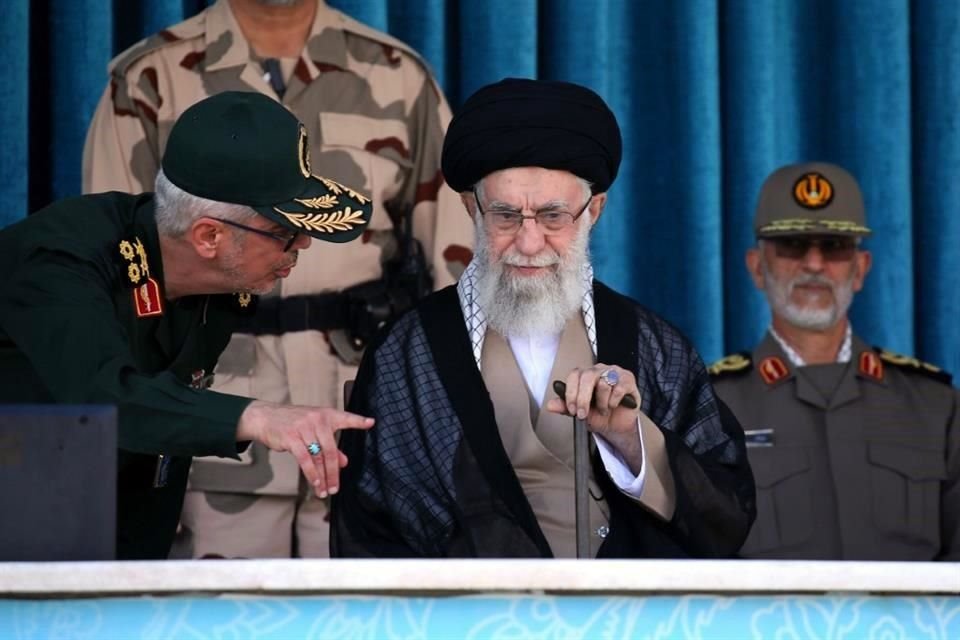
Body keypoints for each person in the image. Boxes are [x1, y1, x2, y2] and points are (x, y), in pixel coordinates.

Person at [82, 0, 473, 558]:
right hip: (212, 422)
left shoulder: (397, 73)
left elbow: (454, 263)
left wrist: (433, 417)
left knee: (359, 619)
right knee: (219, 622)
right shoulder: (153, 76)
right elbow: (118, 263)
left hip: (359, 418)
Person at [329, 78, 756, 558]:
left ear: (593, 210)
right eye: (506, 216)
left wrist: (630, 439)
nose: (529, 244)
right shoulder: (407, 353)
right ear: (473, 207)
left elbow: (727, 512)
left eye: (553, 217)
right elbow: (366, 532)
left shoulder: (655, 346)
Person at [0, 91, 376, 560]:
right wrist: (255, 416)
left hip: (99, 525)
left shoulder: (220, 278)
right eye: (283, 232)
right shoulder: (59, 263)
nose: (304, 243)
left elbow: (155, 441)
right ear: (209, 235)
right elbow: (102, 402)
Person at [709, 161, 960, 560]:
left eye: (834, 247)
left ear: (860, 269)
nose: (813, 264)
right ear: (757, 268)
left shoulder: (934, 406)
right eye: (793, 245)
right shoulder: (713, 407)